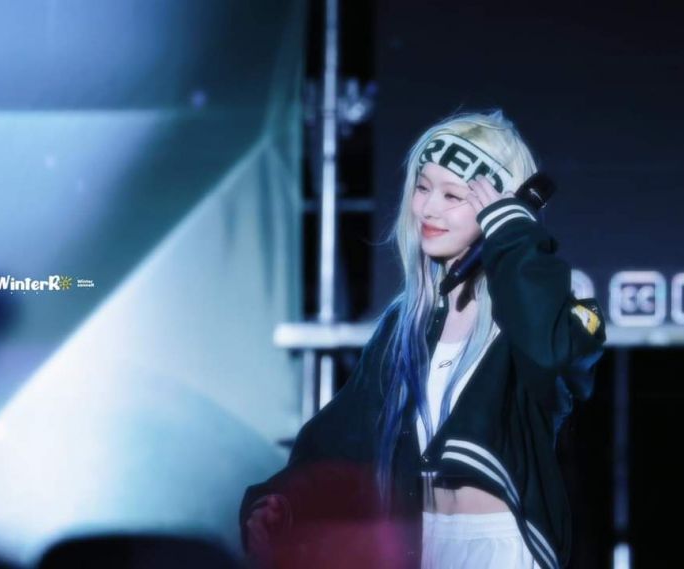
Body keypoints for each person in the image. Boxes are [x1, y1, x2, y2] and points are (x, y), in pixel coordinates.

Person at [240, 109, 607, 569]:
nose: (428, 209)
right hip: (419, 545)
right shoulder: (407, 320)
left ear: (502, 204)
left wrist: (513, 234)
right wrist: (283, 502)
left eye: (453, 194)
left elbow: (551, 358)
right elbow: (342, 437)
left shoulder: (559, 296)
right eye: (422, 187)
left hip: (499, 545)